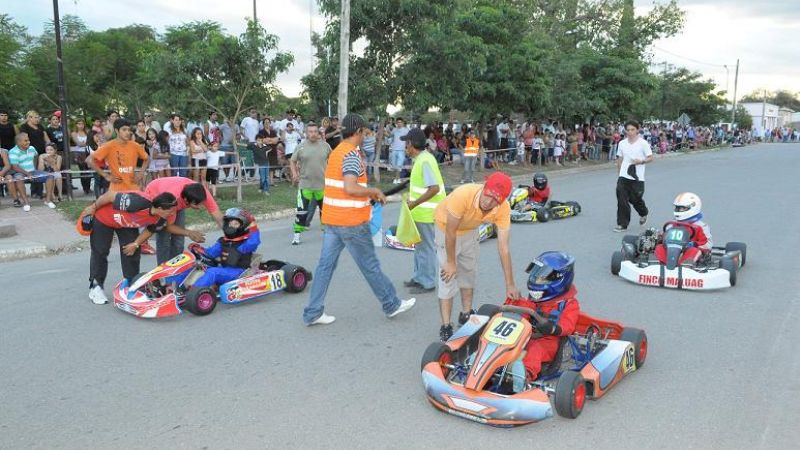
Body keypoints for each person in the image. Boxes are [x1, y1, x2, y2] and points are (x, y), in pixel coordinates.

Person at [302, 113, 416, 326]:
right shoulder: (352, 155)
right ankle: (391, 304)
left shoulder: (336, 152)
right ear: (357, 132)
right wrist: (373, 191)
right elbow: (350, 187)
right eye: (364, 132)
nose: (365, 135)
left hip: (333, 221)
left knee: (325, 266)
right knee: (370, 266)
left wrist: (369, 196)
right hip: (351, 223)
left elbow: (343, 189)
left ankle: (313, 312)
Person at [435, 172, 520, 341]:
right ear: (484, 187)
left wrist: (510, 284)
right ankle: (445, 325)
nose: (488, 202)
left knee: (468, 271)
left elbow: (504, 248)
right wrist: (451, 262)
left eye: (496, 200)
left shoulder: (503, 209)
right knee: (447, 277)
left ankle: (466, 314)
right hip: (445, 228)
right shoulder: (463, 194)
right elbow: (451, 231)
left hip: (470, 230)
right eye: (488, 195)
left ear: (502, 200)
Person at [82, 191, 201, 305]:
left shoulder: (161, 218)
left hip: (126, 224)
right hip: (104, 219)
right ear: (160, 209)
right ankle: (96, 287)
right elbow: (109, 196)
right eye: (170, 211)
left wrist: (135, 244)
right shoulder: (137, 202)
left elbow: (149, 230)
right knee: (100, 251)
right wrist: (93, 207)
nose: (172, 214)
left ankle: (131, 284)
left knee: (132, 251)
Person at [511, 251, 580, 383]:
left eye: (542, 277)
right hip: (525, 336)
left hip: (548, 340)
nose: (536, 279)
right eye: (536, 275)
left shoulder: (569, 304)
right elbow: (520, 312)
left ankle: (524, 375)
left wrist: (552, 328)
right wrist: (513, 300)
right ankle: (480, 361)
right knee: (503, 341)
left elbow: (568, 325)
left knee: (535, 349)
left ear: (559, 280)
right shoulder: (532, 300)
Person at [401, 128, 445, 294]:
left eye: (406, 143)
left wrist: (415, 203)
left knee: (426, 248)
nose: (405, 146)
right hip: (420, 213)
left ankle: (427, 282)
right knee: (420, 247)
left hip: (426, 213)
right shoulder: (422, 159)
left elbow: (433, 188)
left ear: (411, 144)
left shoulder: (425, 160)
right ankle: (419, 277)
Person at [174, 208, 260, 291]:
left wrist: (253, 225)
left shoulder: (244, 244)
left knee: (213, 272)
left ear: (243, 227)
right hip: (224, 269)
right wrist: (198, 249)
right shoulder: (223, 241)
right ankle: (173, 287)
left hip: (238, 272)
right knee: (191, 266)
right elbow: (210, 253)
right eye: (229, 223)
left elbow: (254, 242)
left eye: (235, 224)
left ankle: (192, 291)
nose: (231, 226)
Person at [289, 122, 331, 245]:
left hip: (323, 185)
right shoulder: (301, 146)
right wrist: (295, 174)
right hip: (305, 185)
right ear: (306, 133)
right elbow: (292, 161)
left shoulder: (325, 146)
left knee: (325, 212)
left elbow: (333, 159)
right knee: (301, 211)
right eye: (310, 132)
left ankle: (327, 235)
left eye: (315, 131)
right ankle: (296, 236)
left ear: (318, 133)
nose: (313, 134)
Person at [86, 119, 149, 192]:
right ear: (116, 131)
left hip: (133, 187)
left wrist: (141, 174)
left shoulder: (135, 145)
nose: (127, 132)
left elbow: (147, 158)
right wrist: (106, 175)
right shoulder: (109, 145)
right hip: (116, 189)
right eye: (124, 130)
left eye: (129, 130)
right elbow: (89, 160)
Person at [614, 120, 653, 232]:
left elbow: (650, 158)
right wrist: (619, 175)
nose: (630, 132)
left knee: (635, 199)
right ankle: (622, 224)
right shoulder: (622, 143)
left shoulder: (643, 143)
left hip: (637, 177)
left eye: (633, 130)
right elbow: (620, 160)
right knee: (622, 199)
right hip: (623, 176)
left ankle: (643, 212)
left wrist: (641, 161)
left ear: (637, 130)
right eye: (628, 130)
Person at [656, 192, 713, 264]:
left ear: (693, 207)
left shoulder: (701, 226)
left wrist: (694, 244)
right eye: (677, 208)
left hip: (688, 251)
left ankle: (685, 267)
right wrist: (660, 238)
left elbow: (708, 244)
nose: (678, 210)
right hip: (671, 250)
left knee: (693, 251)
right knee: (659, 247)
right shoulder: (672, 224)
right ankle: (659, 266)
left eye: (682, 208)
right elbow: (665, 237)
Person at [4, 132, 55, 210]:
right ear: (18, 142)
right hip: (20, 172)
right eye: (25, 141)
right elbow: (14, 167)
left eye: (28, 140)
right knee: (19, 179)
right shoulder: (13, 151)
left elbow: (35, 155)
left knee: (50, 176)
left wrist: (34, 168)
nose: (28, 142)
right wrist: (28, 174)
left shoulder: (31, 148)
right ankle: (26, 203)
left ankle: (48, 200)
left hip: (32, 171)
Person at [389, 118, 409, 184]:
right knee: (394, 165)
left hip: (402, 150)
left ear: (403, 123)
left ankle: (397, 179)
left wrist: (407, 148)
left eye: (400, 122)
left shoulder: (406, 130)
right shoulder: (394, 130)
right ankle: (397, 178)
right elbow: (390, 136)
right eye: (398, 122)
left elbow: (408, 140)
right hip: (394, 149)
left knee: (399, 165)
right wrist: (384, 132)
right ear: (396, 123)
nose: (399, 123)